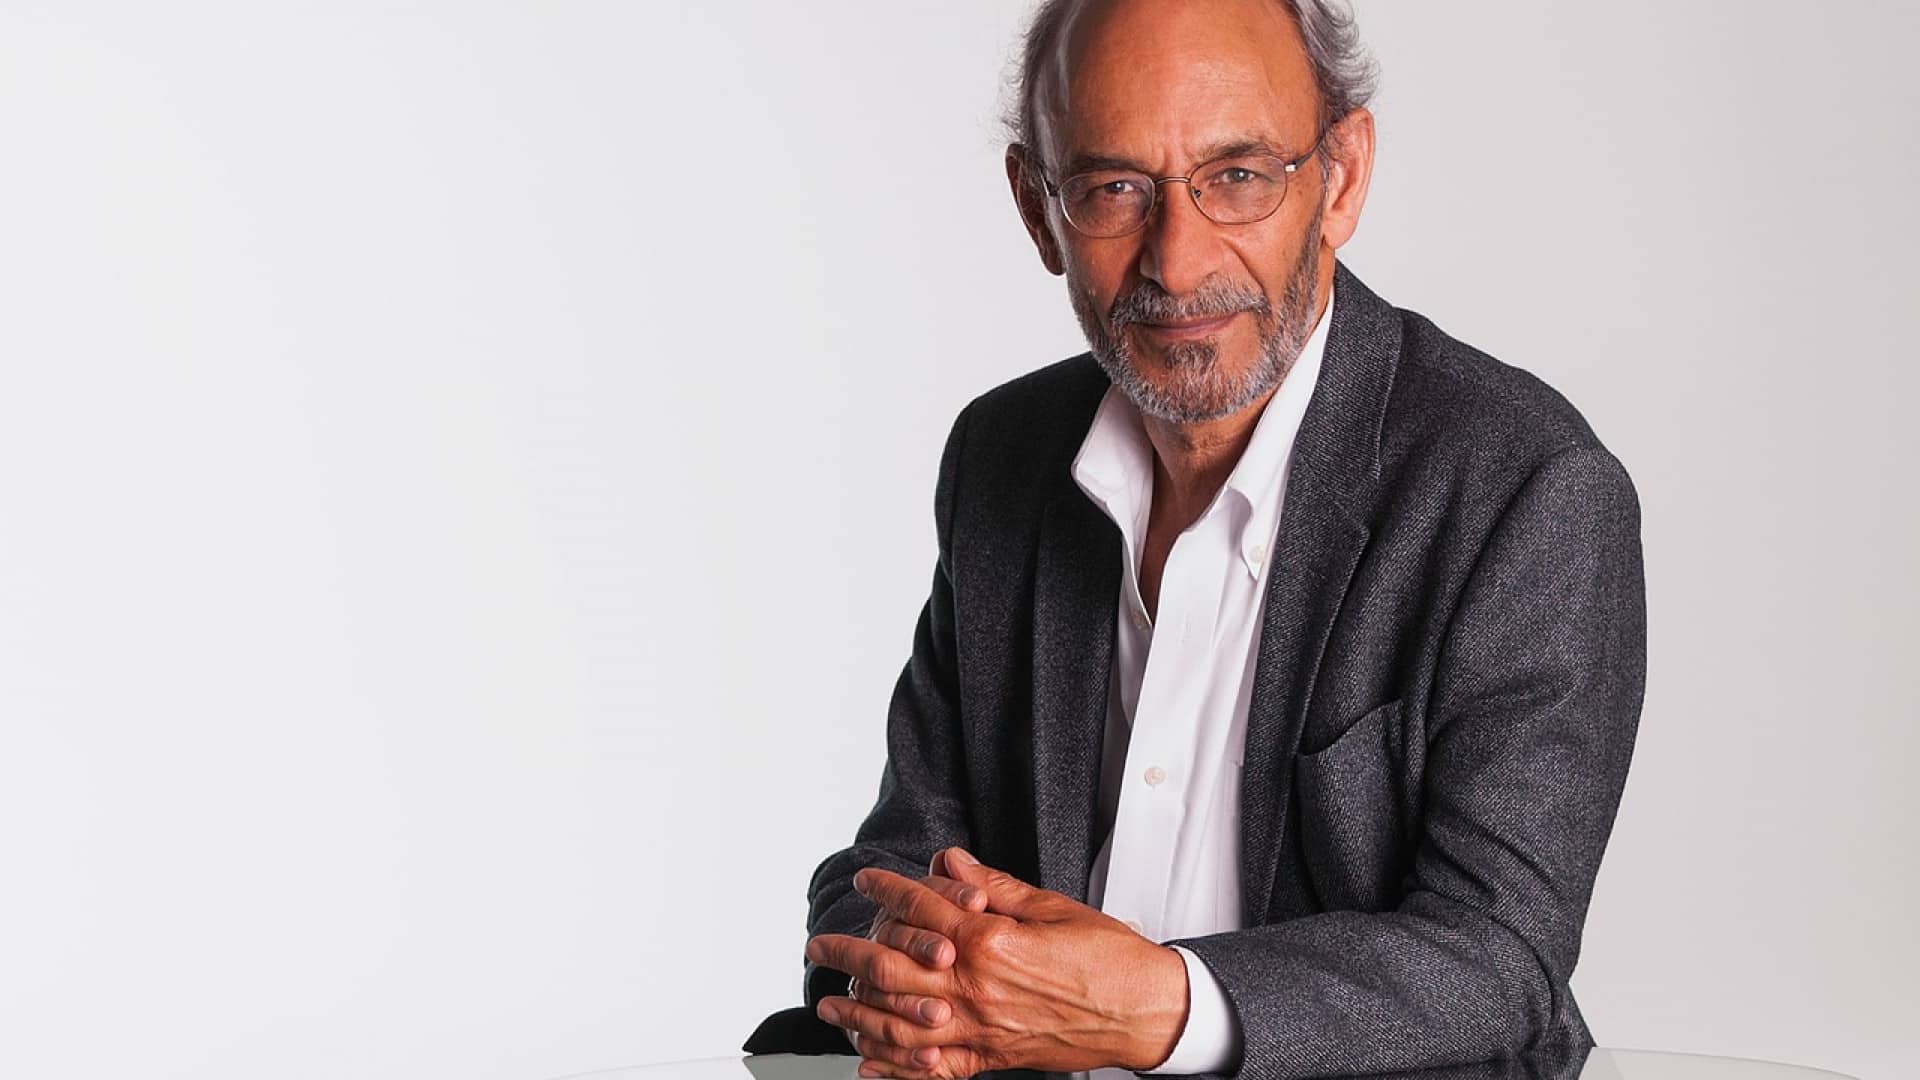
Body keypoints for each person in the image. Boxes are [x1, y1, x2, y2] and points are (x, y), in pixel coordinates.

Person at [797, 1, 1647, 1077]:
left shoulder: (1523, 487)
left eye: (1237, 176)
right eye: (1114, 188)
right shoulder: (1003, 457)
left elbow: (1499, 958)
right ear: (1037, 209)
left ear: (1341, 179)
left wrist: (1152, 1008)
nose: (1178, 258)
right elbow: (893, 861)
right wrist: (927, 984)